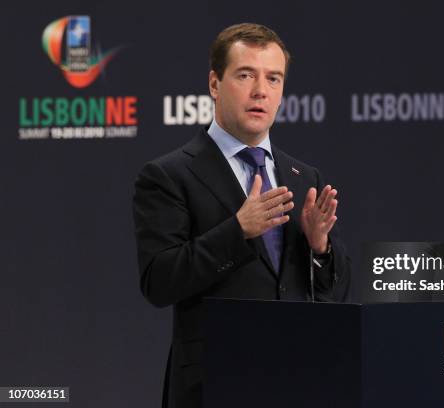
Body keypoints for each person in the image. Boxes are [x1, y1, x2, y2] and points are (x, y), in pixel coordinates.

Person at [132, 23, 351, 408]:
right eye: (245, 75)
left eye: (273, 78)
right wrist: (238, 230)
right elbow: (159, 281)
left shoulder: (304, 177)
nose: (260, 91)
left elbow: (333, 291)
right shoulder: (169, 175)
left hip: (298, 381)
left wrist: (320, 248)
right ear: (215, 84)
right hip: (216, 385)